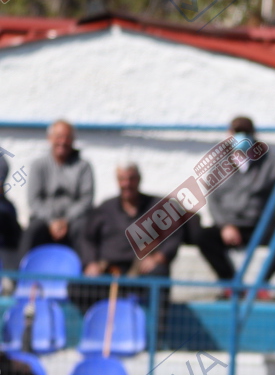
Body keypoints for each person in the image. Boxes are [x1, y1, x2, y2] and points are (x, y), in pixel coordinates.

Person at [194, 117, 275, 285]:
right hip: (230, 227)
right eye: (237, 132)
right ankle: (230, 284)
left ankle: (262, 284)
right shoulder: (220, 163)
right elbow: (213, 199)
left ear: (254, 134)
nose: (241, 136)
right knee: (203, 237)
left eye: (245, 132)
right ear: (229, 134)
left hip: (260, 226)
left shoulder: (268, 161)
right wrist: (225, 225)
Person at [75, 164, 183, 310]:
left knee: (159, 274)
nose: (127, 184)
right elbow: (87, 238)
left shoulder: (157, 206)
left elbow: (174, 236)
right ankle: (96, 320)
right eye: (122, 179)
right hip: (108, 271)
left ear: (139, 179)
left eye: (131, 179)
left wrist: (158, 258)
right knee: (76, 288)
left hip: (141, 271)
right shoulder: (105, 208)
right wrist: (91, 263)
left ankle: (156, 324)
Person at [20, 120, 94, 255]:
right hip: (45, 218)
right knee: (32, 231)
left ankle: (87, 267)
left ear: (73, 140)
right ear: (49, 138)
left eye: (67, 137)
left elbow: (86, 199)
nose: (63, 141)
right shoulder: (38, 165)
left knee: (84, 229)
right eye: (59, 137)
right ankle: (22, 267)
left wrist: (66, 220)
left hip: (74, 220)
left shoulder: (83, 166)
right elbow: (34, 200)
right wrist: (51, 221)